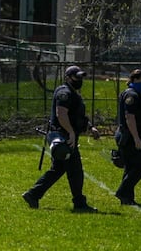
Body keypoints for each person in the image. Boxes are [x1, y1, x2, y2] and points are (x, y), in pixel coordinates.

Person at [22, 65, 100, 212]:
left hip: (67, 136)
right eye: (77, 77)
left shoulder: (74, 93)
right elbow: (61, 114)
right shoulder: (64, 93)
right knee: (75, 170)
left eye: (81, 77)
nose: (80, 80)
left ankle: (33, 194)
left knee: (58, 169)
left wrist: (90, 127)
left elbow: (78, 116)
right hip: (63, 137)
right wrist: (70, 132)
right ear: (68, 78)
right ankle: (79, 204)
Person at [114, 69, 141, 205]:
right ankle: (123, 192)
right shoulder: (132, 95)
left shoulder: (134, 94)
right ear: (135, 80)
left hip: (130, 134)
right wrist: (136, 138)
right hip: (130, 136)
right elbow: (129, 118)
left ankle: (127, 198)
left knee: (130, 166)